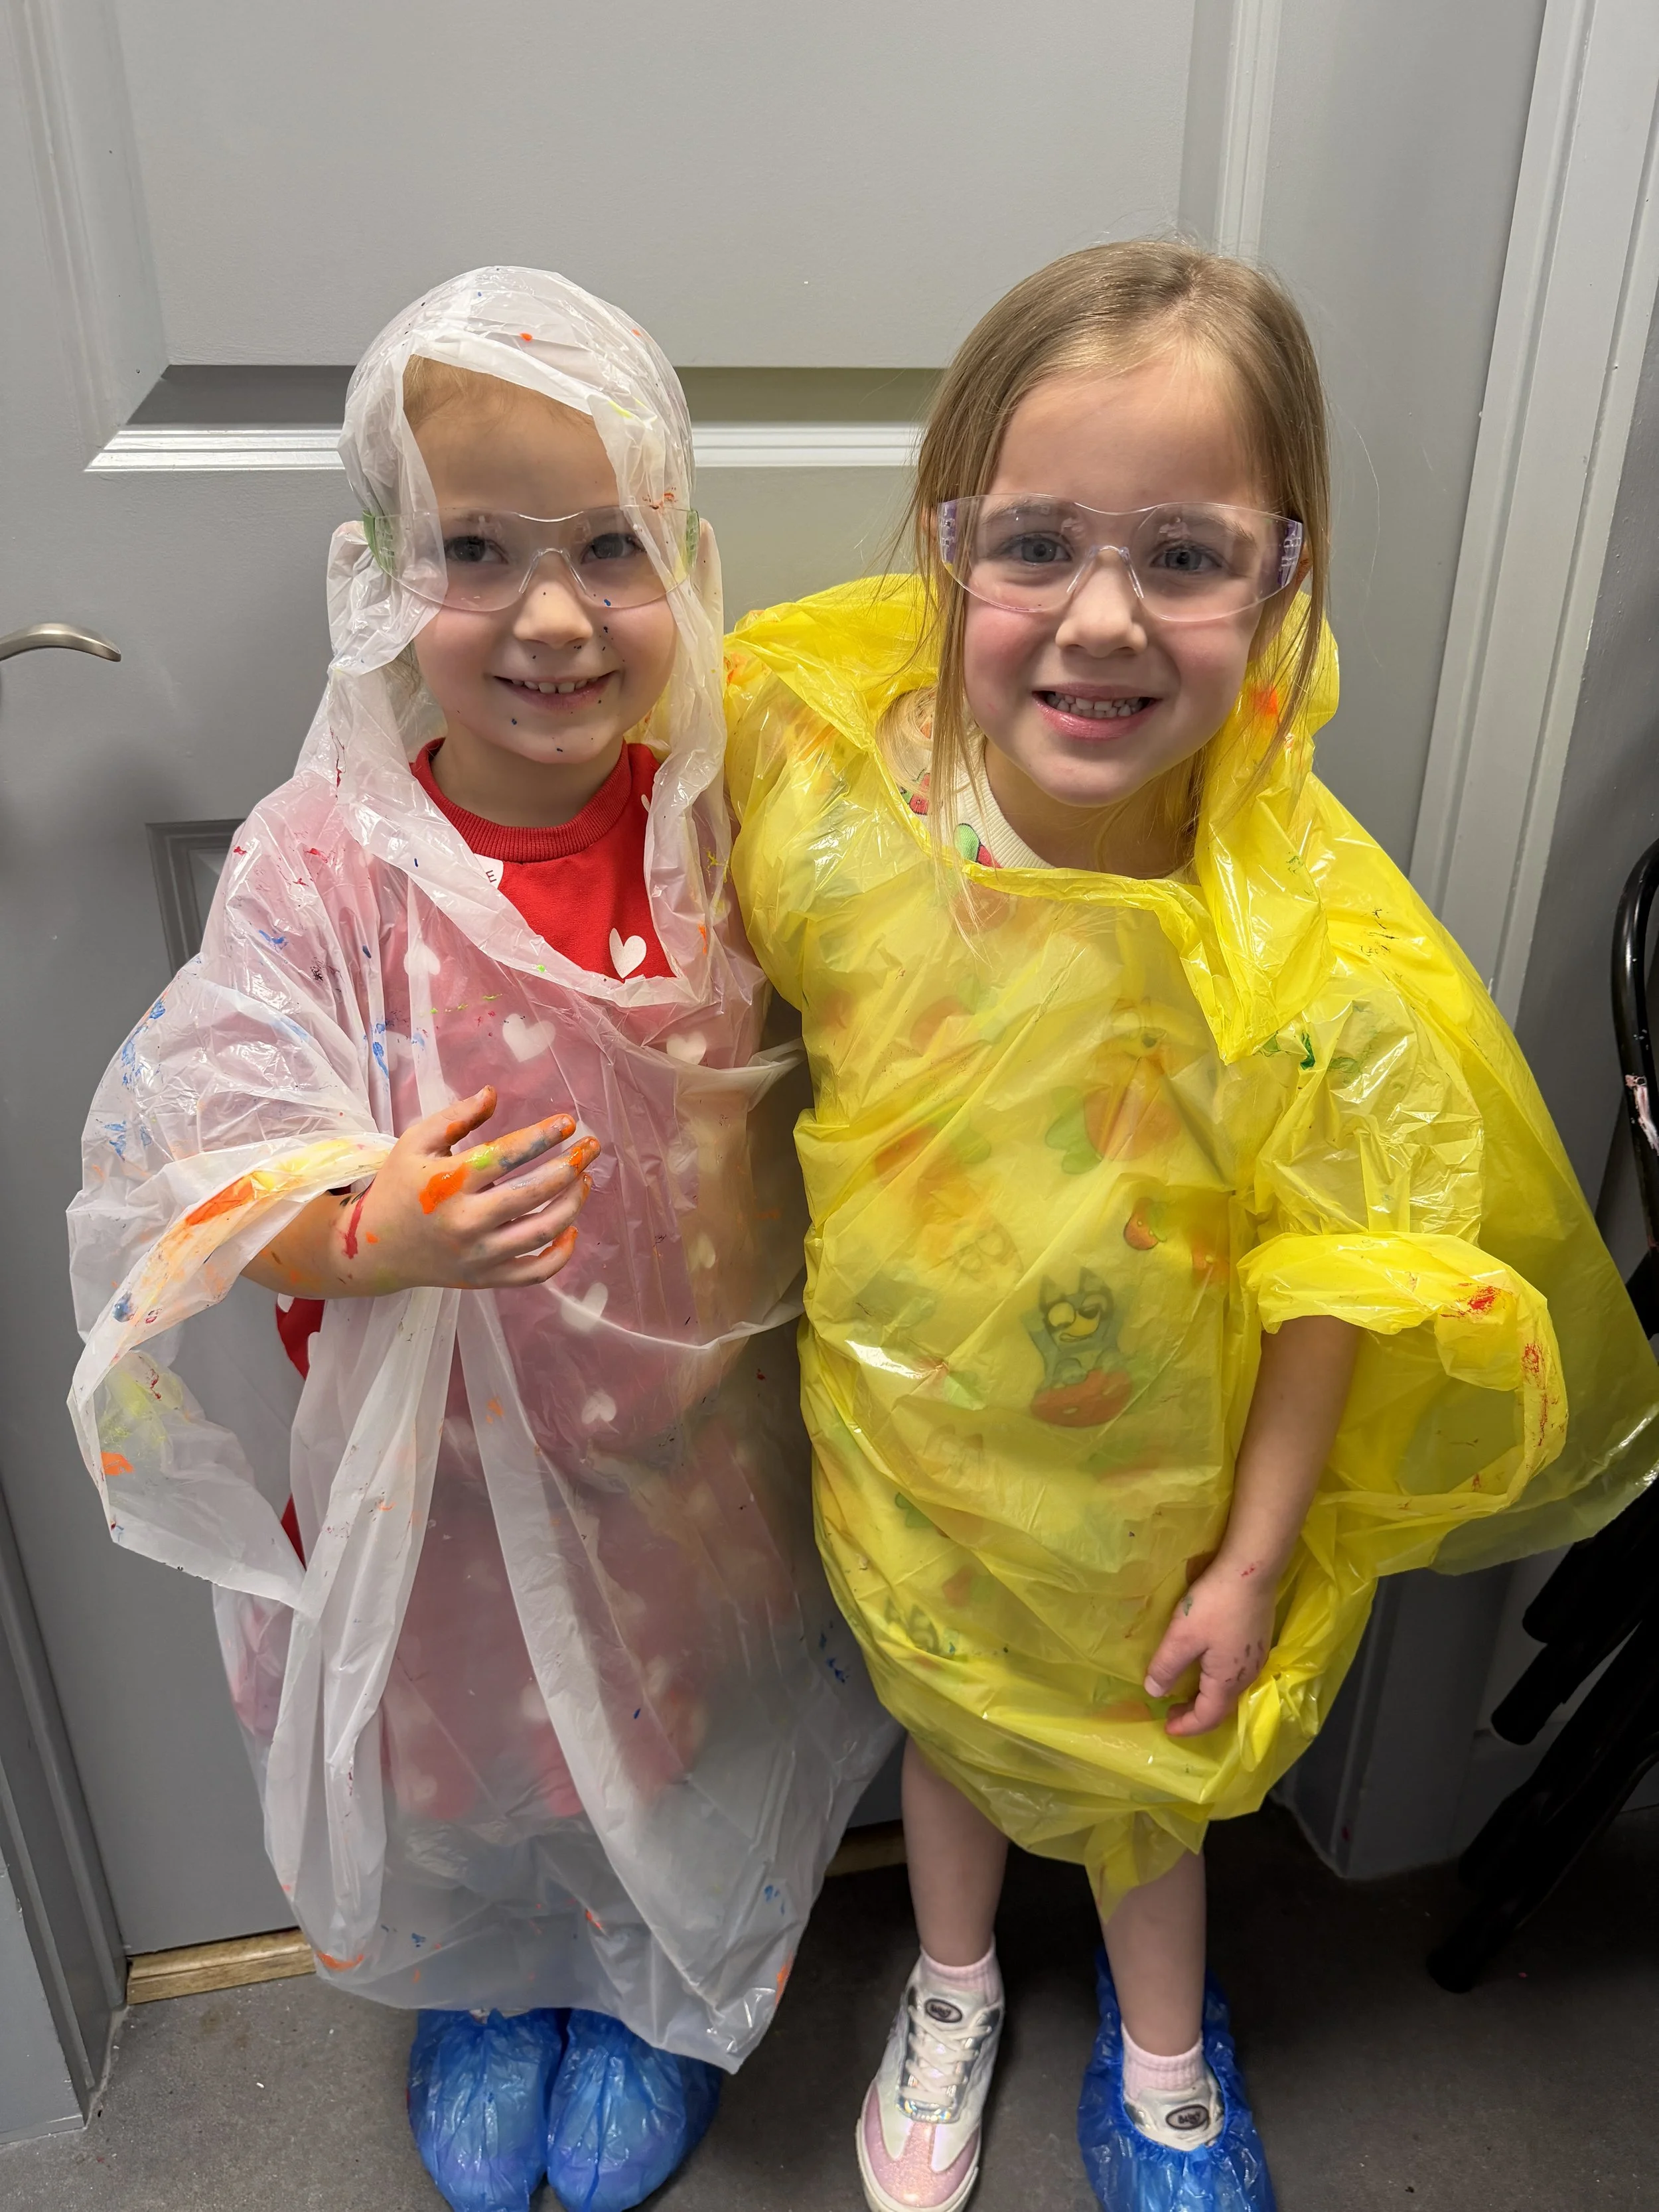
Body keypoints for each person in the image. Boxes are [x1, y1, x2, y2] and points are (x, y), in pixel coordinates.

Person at [722, 240, 1659, 2212]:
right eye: (1037, 541)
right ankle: (953, 1982)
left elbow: (1337, 1274)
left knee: (1153, 1787)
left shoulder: (1295, 936)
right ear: (943, 543)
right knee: (954, 1737)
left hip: (1157, 1498)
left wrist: (1249, 1557)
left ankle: (1165, 2038)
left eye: (1185, 554)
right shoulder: (834, 805)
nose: (1099, 616)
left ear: (1282, 576)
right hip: (911, 1459)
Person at [68, 267, 891, 2212]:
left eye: (609, 546)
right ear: (376, 573)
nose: (546, 613)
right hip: (430, 1480)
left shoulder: (725, 830)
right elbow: (204, 1173)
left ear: (682, 555)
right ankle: (493, 1986)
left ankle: (632, 1990)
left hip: (682, 1471)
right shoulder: (320, 860)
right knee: (460, 1755)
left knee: (666, 1728)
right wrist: (374, 1230)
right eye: (477, 551)